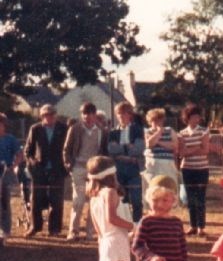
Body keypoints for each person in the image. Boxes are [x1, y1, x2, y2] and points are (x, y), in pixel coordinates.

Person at [63, 102, 109, 241]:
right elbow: (67, 149)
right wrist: (69, 165)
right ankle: (73, 231)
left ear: (95, 115)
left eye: (90, 114)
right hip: (78, 168)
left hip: (94, 170)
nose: (87, 117)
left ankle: (90, 232)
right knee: (78, 201)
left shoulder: (102, 131)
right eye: (84, 113)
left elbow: (104, 151)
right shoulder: (75, 128)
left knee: (94, 201)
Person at [23, 104, 69, 237]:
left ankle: (54, 229)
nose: (49, 117)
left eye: (52, 115)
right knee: (36, 200)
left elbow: (69, 149)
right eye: (46, 115)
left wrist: (65, 168)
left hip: (57, 170)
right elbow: (28, 151)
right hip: (39, 170)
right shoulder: (35, 129)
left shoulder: (63, 129)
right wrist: (33, 165)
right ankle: (35, 227)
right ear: (42, 116)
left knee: (56, 201)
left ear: (55, 115)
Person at [108, 102, 145, 222]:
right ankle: (124, 224)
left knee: (136, 199)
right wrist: (127, 147)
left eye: (124, 113)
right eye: (118, 114)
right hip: (119, 168)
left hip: (134, 168)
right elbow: (111, 150)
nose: (121, 116)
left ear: (130, 115)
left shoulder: (138, 130)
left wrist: (121, 150)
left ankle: (137, 225)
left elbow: (139, 149)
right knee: (120, 199)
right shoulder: (113, 132)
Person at [178, 104, 210, 237]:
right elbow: (181, 153)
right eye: (193, 116)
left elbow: (205, 150)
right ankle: (192, 225)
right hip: (187, 169)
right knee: (190, 199)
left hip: (202, 168)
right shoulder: (182, 133)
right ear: (187, 118)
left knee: (200, 198)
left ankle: (201, 227)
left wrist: (189, 150)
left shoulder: (204, 130)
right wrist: (196, 148)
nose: (196, 119)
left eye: (198, 116)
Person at [142, 108, 179, 196]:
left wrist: (158, 142)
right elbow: (149, 144)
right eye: (155, 121)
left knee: (169, 185)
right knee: (152, 187)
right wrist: (158, 132)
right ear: (150, 121)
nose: (158, 123)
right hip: (153, 163)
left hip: (167, 163)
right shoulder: (147, 131)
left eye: (160, 120)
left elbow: (174, 145)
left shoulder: (170, 130)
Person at [0, 113, 22, 245]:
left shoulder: (10, 139)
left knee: (4, 202)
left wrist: (13, 166)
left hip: (5, 171)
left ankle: (5, 231)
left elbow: (20, 154)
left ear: (4, 125)